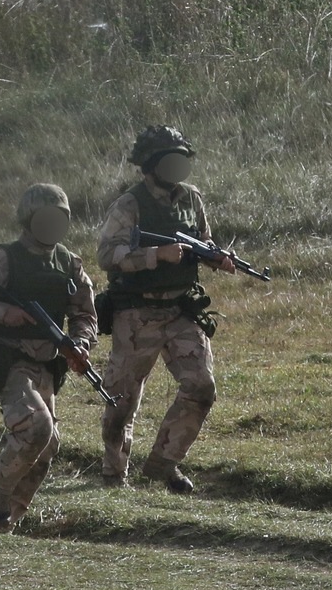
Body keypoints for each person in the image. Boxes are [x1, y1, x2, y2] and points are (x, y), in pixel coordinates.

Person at [94, 125, 234, 493]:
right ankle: (114, 474)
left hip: (181, 310)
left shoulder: (191, 199)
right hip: (137, 314)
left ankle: (163, 465)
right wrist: (156, 256)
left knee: (201, 387)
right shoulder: (129, 205)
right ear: (152, 165)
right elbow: (108, 255)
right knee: (122, 400)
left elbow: (203, 240)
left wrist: (216, 257)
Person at [0, 183, 99, 532]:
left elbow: (85, 314)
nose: (52, 227)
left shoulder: (68, 262)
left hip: (48, 362)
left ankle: (8, 521)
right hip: (8, 358)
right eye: (45, 219)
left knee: (48, 446)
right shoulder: (3, 259)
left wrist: (80, 343)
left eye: (59, 220)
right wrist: (2, 311)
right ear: (29, 219)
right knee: (37, 427)